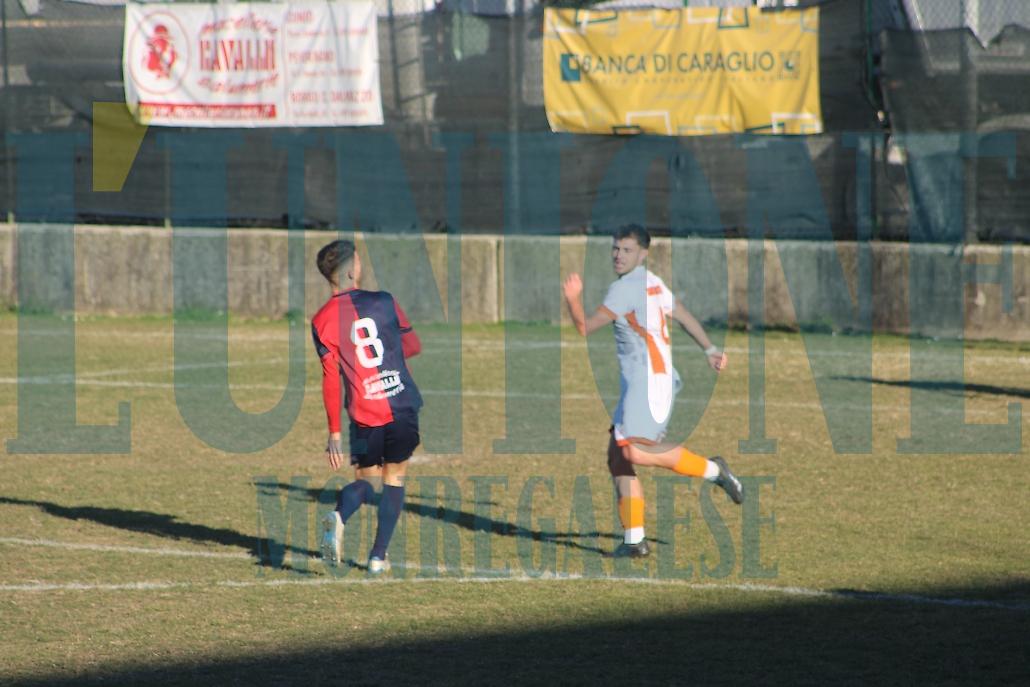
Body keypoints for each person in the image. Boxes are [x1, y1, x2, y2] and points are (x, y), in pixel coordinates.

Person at [562, 225, 743, 558]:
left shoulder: (624, 289)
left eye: (627, 250)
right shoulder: (652, 281)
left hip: (648, 385)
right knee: (617, 457)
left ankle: (715, 470)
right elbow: (682, 314)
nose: (618, 255)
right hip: (646, 382)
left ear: (643, 254)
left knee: (633, 452)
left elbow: (584, 327)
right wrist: (709, 348)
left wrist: (572, 299)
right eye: (616, 248)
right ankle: (634, 541)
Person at [310, 239, 423, 574]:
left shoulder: (321, 321)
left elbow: (330, 379)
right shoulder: (384, 301)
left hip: (363, 414)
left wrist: (333, 432)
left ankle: (340, 515)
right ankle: (377, 557)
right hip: (401, 404)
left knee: (367, 482)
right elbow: (413, 345)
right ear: (352, 270)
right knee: (394, 478)